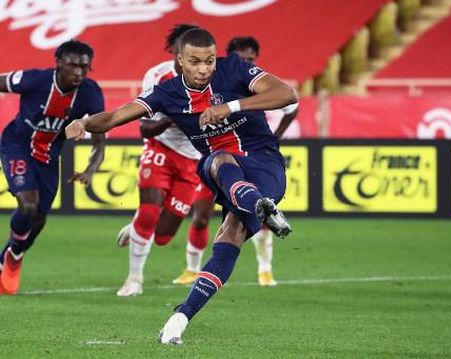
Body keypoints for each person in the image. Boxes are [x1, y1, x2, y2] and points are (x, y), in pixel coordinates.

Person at [65, 28, 297, 344]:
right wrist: (84, 123)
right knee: (228, 235)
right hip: (234, 178)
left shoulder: (234, 69)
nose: (204, 69)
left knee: (214, 161)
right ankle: (180, 318)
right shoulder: (167, 92)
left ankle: (258, 203)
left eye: (209, 61)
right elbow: (118, 116)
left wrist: (230, 107)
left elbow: (287, 94)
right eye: (195, 62)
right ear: (180, 61)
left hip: (265, 164)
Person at [114, 23, 216, 297]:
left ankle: (136, 226)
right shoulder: (158, 77)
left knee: (162, 236)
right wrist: (174, 117)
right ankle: (134, 279)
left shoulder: (211, 79)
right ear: (176, 52)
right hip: (161, 148)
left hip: (193, 159)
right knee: (149, 212)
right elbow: (144, 128)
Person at [0, 40, 106, 295]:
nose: (79, 72)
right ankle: (13, 256)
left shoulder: (91, 93)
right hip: (17, 145)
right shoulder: (35, 80)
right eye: (73, 66)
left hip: (49, 158)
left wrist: (92, 168)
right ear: (58, 63)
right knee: (28, 204)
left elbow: (100, 138)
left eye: (84, 67)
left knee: (38, 219)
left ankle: (12, 253)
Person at [226, 36, 299, 286]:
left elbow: (291, 106)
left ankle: (265, 270)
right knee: (205, 214)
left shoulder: (260, 84)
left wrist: (276, 136)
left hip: (255, 155)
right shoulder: (221, 84)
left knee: (261, 209)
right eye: (242, 58)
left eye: (251, 59)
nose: (247, 63)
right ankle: (193, 269)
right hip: (224, 156)